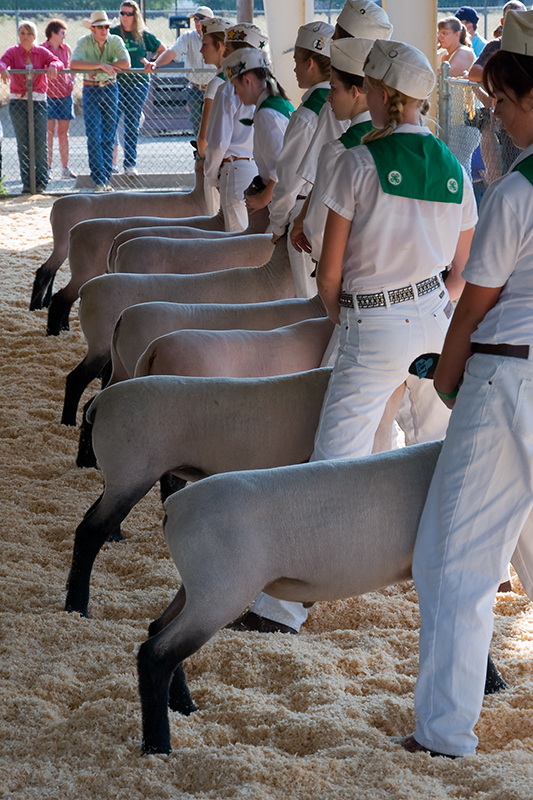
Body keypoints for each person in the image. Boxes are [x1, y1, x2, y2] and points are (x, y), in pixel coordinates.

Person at [398, 9, 533, 759]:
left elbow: (471, 305)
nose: (499, 118)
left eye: (505, 103)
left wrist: (446, 384)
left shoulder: (517, 192)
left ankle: (444, 732)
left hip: (509, 373)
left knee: (453, 558)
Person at [269, 21, 334, 298]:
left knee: (308, 300)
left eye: (296, 61)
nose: (294, 68)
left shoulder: (307, 114)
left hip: (304, 217)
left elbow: (289, 179)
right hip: (338, 210)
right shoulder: (343, 104)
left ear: (310, 63)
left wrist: (277, 223)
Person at [202, 23, 266, 231]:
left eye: (228, 52)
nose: (225, 57)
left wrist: (211, 176)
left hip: (235, 172)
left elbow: (218, 142)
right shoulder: (270, 86)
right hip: (259, 173)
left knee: (237, 249)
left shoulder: (228, 88)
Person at [224, 47, 294, 221]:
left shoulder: (266, 114)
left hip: (281, 201)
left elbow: (282, 167)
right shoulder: (277, 103)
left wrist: (262, 199)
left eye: (235, 86)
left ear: (247, 81)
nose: (235, 93)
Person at [0, 21, 62, 193]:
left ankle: (41, 182)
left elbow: (57, 61)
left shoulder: (41, 52)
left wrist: (52, 66)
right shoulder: (13, 51)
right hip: (18, 101)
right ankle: (27, 184)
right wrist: (3, 68)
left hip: (38, 101)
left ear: (34, 36)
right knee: (23, 144)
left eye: (28, 33)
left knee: (40, 142)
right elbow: (2, 62)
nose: (24, 36)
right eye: (21, 33)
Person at [71, 10, 130, 192]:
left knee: (108, 136)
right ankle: (98, 180)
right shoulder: (84, 42)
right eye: (100, 27)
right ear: (93, 29)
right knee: (94, 136)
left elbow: (126, 63)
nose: (104, 30)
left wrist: (105, 67)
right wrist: (100, 65)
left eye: (106, 27)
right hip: (91, 89)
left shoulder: (115, 40)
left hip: (111, 88)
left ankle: (106, 179)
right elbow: (73, 64)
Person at [110, 1, 165, 176]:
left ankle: (130, 164)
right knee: (110, 121)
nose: (124, 17)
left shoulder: (143, 35)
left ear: (136, 16)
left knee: (131, 124)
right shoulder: (113, 33)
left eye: (128, 14)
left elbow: (163, 49)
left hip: (138, 83)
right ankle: (109, 164)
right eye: (122, 13)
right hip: (116, 83)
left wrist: (153, 63)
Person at [147, 5, 214, 138]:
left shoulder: (220, 38)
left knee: (216, 128)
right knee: (198, 129)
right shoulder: (188, 37)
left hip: (216, 89)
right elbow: (172, 52)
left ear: (211, 21)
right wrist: (155, 64)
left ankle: (216, 157)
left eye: (200, 18)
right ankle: (201, 157)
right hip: (195, 89)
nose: (197, 22)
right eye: (195, 19)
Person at [42, 19, 76, 180]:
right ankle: (47, 168)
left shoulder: (66, 48)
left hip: (65, 95)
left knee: (63, 133)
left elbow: (72, 66)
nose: (64, 36)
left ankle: (65, 168)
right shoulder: (42, 49)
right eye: (62, 33)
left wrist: (72, 80)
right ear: (53, 33)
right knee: (48, 133)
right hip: (48, 96)